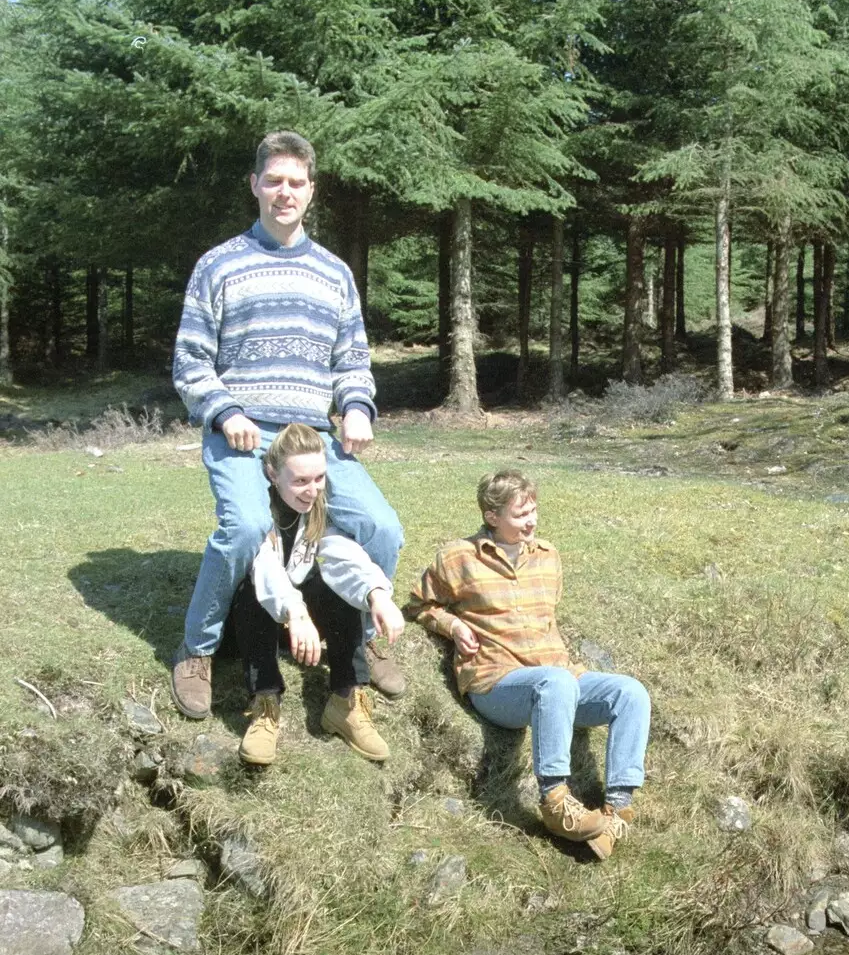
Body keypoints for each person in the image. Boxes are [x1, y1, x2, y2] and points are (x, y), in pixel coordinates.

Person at [171, 129, 405, 720]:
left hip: (314, 438)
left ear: (312, 191)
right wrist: (226, 412)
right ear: (254, 185)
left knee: (381, 526)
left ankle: (366, 635)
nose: (284, 192)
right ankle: (197, 651)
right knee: (248, 526)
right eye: (273, 180)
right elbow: (190, 360)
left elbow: (353, 360)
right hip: (242, 433)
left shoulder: (334, 273)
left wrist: (355, 407)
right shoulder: (218, 265)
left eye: (296, 183)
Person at [407, 468, 651, 859]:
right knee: (554, 683)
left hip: (559, 680)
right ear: (491, 516)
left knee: (630, 692)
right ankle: (556, 802)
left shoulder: (549, 556)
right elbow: (420, 605)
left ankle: (617, 809)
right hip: (497, 683)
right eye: (520, 515)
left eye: (534, 511)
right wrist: (452, 625)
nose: (532, 521)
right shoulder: (458, 558)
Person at [233, 424, 405, 766]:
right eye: (299, 481)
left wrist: (377, 593)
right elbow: (264, 566)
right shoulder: (256, 510)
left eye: (319, 478)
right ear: (272, 473)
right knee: (250, 591)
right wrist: (295, 612)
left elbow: (341, 553)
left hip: (302, 626)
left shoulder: (321, 506)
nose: (311, 490)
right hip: (257, 621)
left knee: (341, 589)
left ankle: (345, 700)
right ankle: (265, 703)